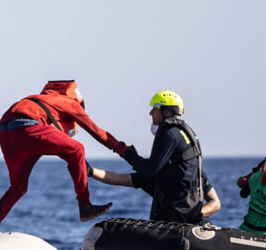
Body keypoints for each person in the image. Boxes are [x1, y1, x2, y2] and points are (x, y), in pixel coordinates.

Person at [0, 80, 126, 240]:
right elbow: (97, 132)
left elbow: (57, 144)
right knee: (77, 149)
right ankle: (85, 206)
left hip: (5, 131)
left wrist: (75, 162)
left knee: (18, 187)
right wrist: (123, 150)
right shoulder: (70, 103)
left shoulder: (39, 100)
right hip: (28, 126)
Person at [88, 90, 220, 225]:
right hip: (186, 221)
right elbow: (118, 178)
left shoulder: (171, 136)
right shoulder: (182, 170)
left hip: (177, 222)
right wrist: (89, 170)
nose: (150, 113)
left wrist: (126, 152)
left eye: (154, 109)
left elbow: (149, 169)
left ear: (167, 112)